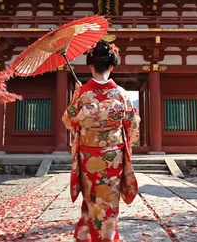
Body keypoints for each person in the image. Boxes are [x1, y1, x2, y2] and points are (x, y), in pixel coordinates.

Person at [62, 39, 140, 241]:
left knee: (92, 199)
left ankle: (90, 235)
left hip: (89, 156)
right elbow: (132, 124)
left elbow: (68, 120)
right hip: (114, 157)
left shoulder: (81, 93)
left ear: (90, 65)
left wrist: (83, 110)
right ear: (112, 66)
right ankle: (108, 237)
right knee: (109, 201)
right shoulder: (121, 94)